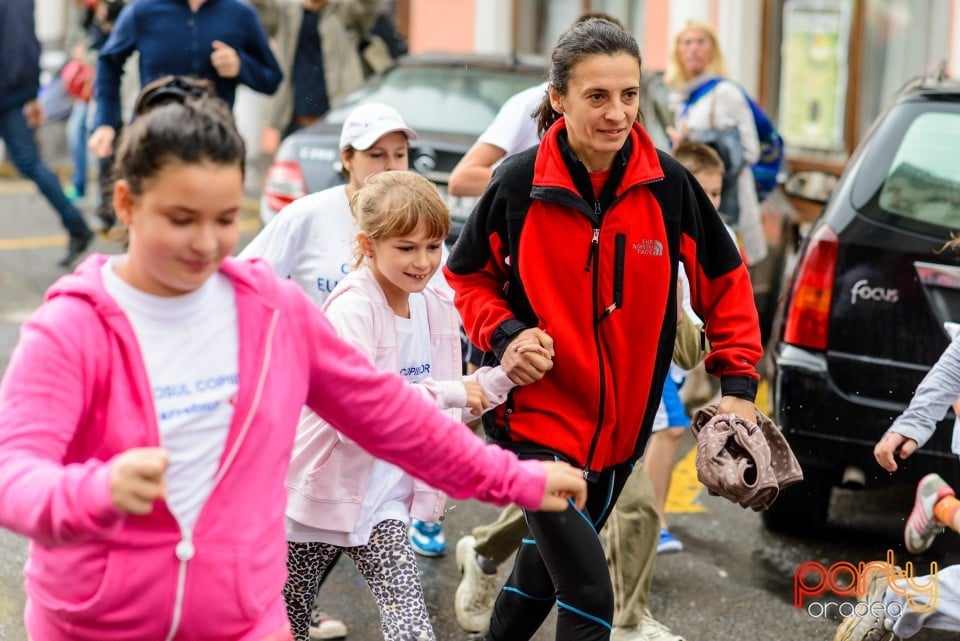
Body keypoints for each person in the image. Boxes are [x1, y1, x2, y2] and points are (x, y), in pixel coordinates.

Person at [0, 87, 589, 641]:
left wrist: (517, 479)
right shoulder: (72, 327)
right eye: (182, 219)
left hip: (242, 618)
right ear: (127, 203)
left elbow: (390, 416)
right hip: (99, 622)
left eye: (226, 218)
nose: (207, 243)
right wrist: (93, 492)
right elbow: (14, 473)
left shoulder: (271, 313)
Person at [444, 16, 762, 641]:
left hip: (622, 436)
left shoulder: (669, 185)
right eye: (597, 96)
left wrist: (738, 386)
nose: (618, 113)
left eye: (630, 95)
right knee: (590, 590)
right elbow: (467, 279)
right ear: (557, 98)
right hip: (536, 423)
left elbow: (727, 282)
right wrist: (506, 334)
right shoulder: (517, 183)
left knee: (540, 576)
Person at [282, 170, 550, 641]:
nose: (424, 261)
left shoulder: (434, 304)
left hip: (383, 499)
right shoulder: (352, 309)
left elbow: (447, 408)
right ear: (368, 245)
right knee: (286, 623)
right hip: (316, 499)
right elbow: (359, 417)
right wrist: (451, 391)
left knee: (411, 625)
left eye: (433, 245)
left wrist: (505, 375)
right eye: (406, 248)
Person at [240, 101, 439, 637]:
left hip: (378, 457)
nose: (391, 165)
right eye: (377, 155)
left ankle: (295, 611)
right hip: (308, 426)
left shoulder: (415, 233)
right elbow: (243, 282)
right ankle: (291, 613)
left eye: (400, 154)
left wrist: (499, 364)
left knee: (371, 574)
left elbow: (449, 309)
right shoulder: (309, 217)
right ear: (347, 159)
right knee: (293, 576)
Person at [643, 141, 726, 555]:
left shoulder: (720, 234)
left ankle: (635, 520)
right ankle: (652, 521)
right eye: (703, 192)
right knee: (673, 427)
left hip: (676, 361)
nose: (711, 201)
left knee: (656, 433)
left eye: (717, 193)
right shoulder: (659, 226)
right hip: (647, 354)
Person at [87, 0, 283, 159]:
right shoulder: (142, 10)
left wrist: (241, 66)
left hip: (214, 148)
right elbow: (108, 63)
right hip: (152, 143)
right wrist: (104, 122)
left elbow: (272, 78)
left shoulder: (241, 14)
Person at [664, 19, 767, 268]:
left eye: (701, 41)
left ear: (712, 49)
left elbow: (751, 152)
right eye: (686, 42)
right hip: (695, 202)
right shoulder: (682, 96)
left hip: (726, 201)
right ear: (678, 50)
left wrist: (695, 141)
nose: (694, 48)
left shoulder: (726, 93)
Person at [0, 0, 95, 266]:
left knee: (29, 162)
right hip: (13, 91)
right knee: (29, 162)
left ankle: (77, 225)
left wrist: (29, 95)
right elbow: (28, 45)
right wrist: (30, 94)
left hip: (7, 92)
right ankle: (76, 225)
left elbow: (21, 45)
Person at [261, 0, 369, 144]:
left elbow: (369, 5)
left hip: (337, 119)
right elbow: (261, 7)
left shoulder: (343, 12)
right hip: (294, 119)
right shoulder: (286, 12)